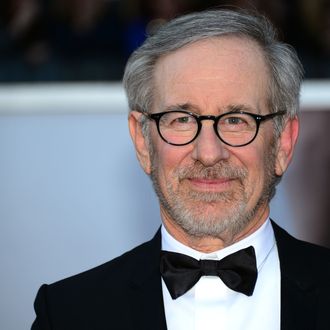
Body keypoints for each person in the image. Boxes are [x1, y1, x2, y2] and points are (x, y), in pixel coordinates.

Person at [31, 9, 330, 330]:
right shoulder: (68, 313)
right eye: (181, 119)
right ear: (143, 142)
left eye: (236, 120)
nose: (209, 153)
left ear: (283, 143)